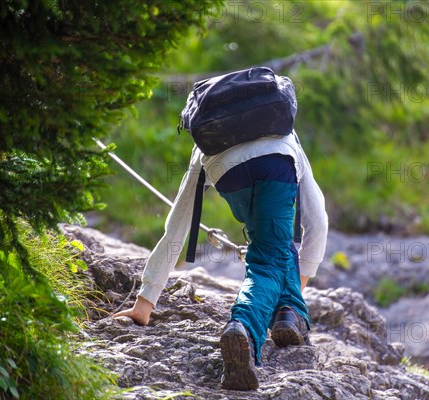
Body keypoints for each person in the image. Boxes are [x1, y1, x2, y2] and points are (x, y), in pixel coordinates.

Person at [114, 131, 328, 390]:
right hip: (277, 162)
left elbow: (177, 226)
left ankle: (287, 313)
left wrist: (145, 302)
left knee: (274, 248)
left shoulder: (211, 128)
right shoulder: (285, 130)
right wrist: (300, 286)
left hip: (223, 167)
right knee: (270, 260)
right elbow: (318, 223)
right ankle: (246, 327)